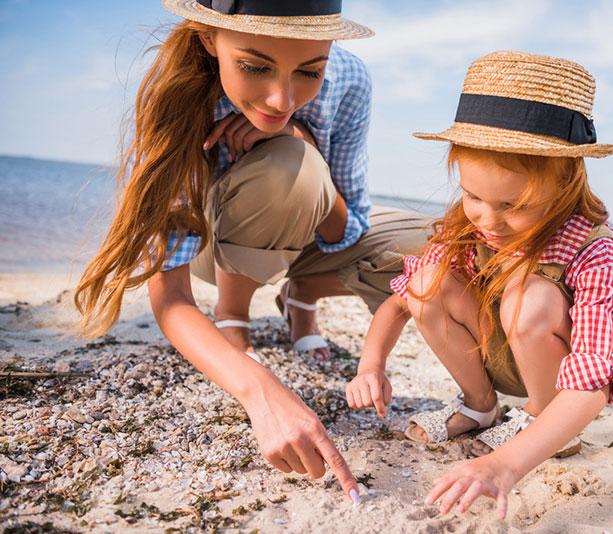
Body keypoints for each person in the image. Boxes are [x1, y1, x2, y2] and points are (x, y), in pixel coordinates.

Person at [74, 0, 429, 504]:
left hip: (306, 237)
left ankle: (300, 295)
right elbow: (171, 296)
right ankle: (233, 318)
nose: (282, 96)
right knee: (289, 168)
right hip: (216, 249)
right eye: (255, 66)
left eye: (309, 71)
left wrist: (297, 135)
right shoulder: (176, 97)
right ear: (208, 39)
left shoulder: (349, 79)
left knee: (442, 245)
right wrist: (259, 388)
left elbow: (346, 229)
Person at [346, 51, 613, 518]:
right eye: (473, 195)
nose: (488, 220)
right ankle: (480, 408)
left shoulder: (591, 248)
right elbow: (400, 304)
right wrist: (370, 365)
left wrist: (506, 465)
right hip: (488, 350)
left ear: (564, 184)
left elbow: (596, 379)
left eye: (513, 205)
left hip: (555, 376)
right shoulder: (472, 223)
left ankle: (542, 424)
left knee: (531, 297)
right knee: (426, 279)